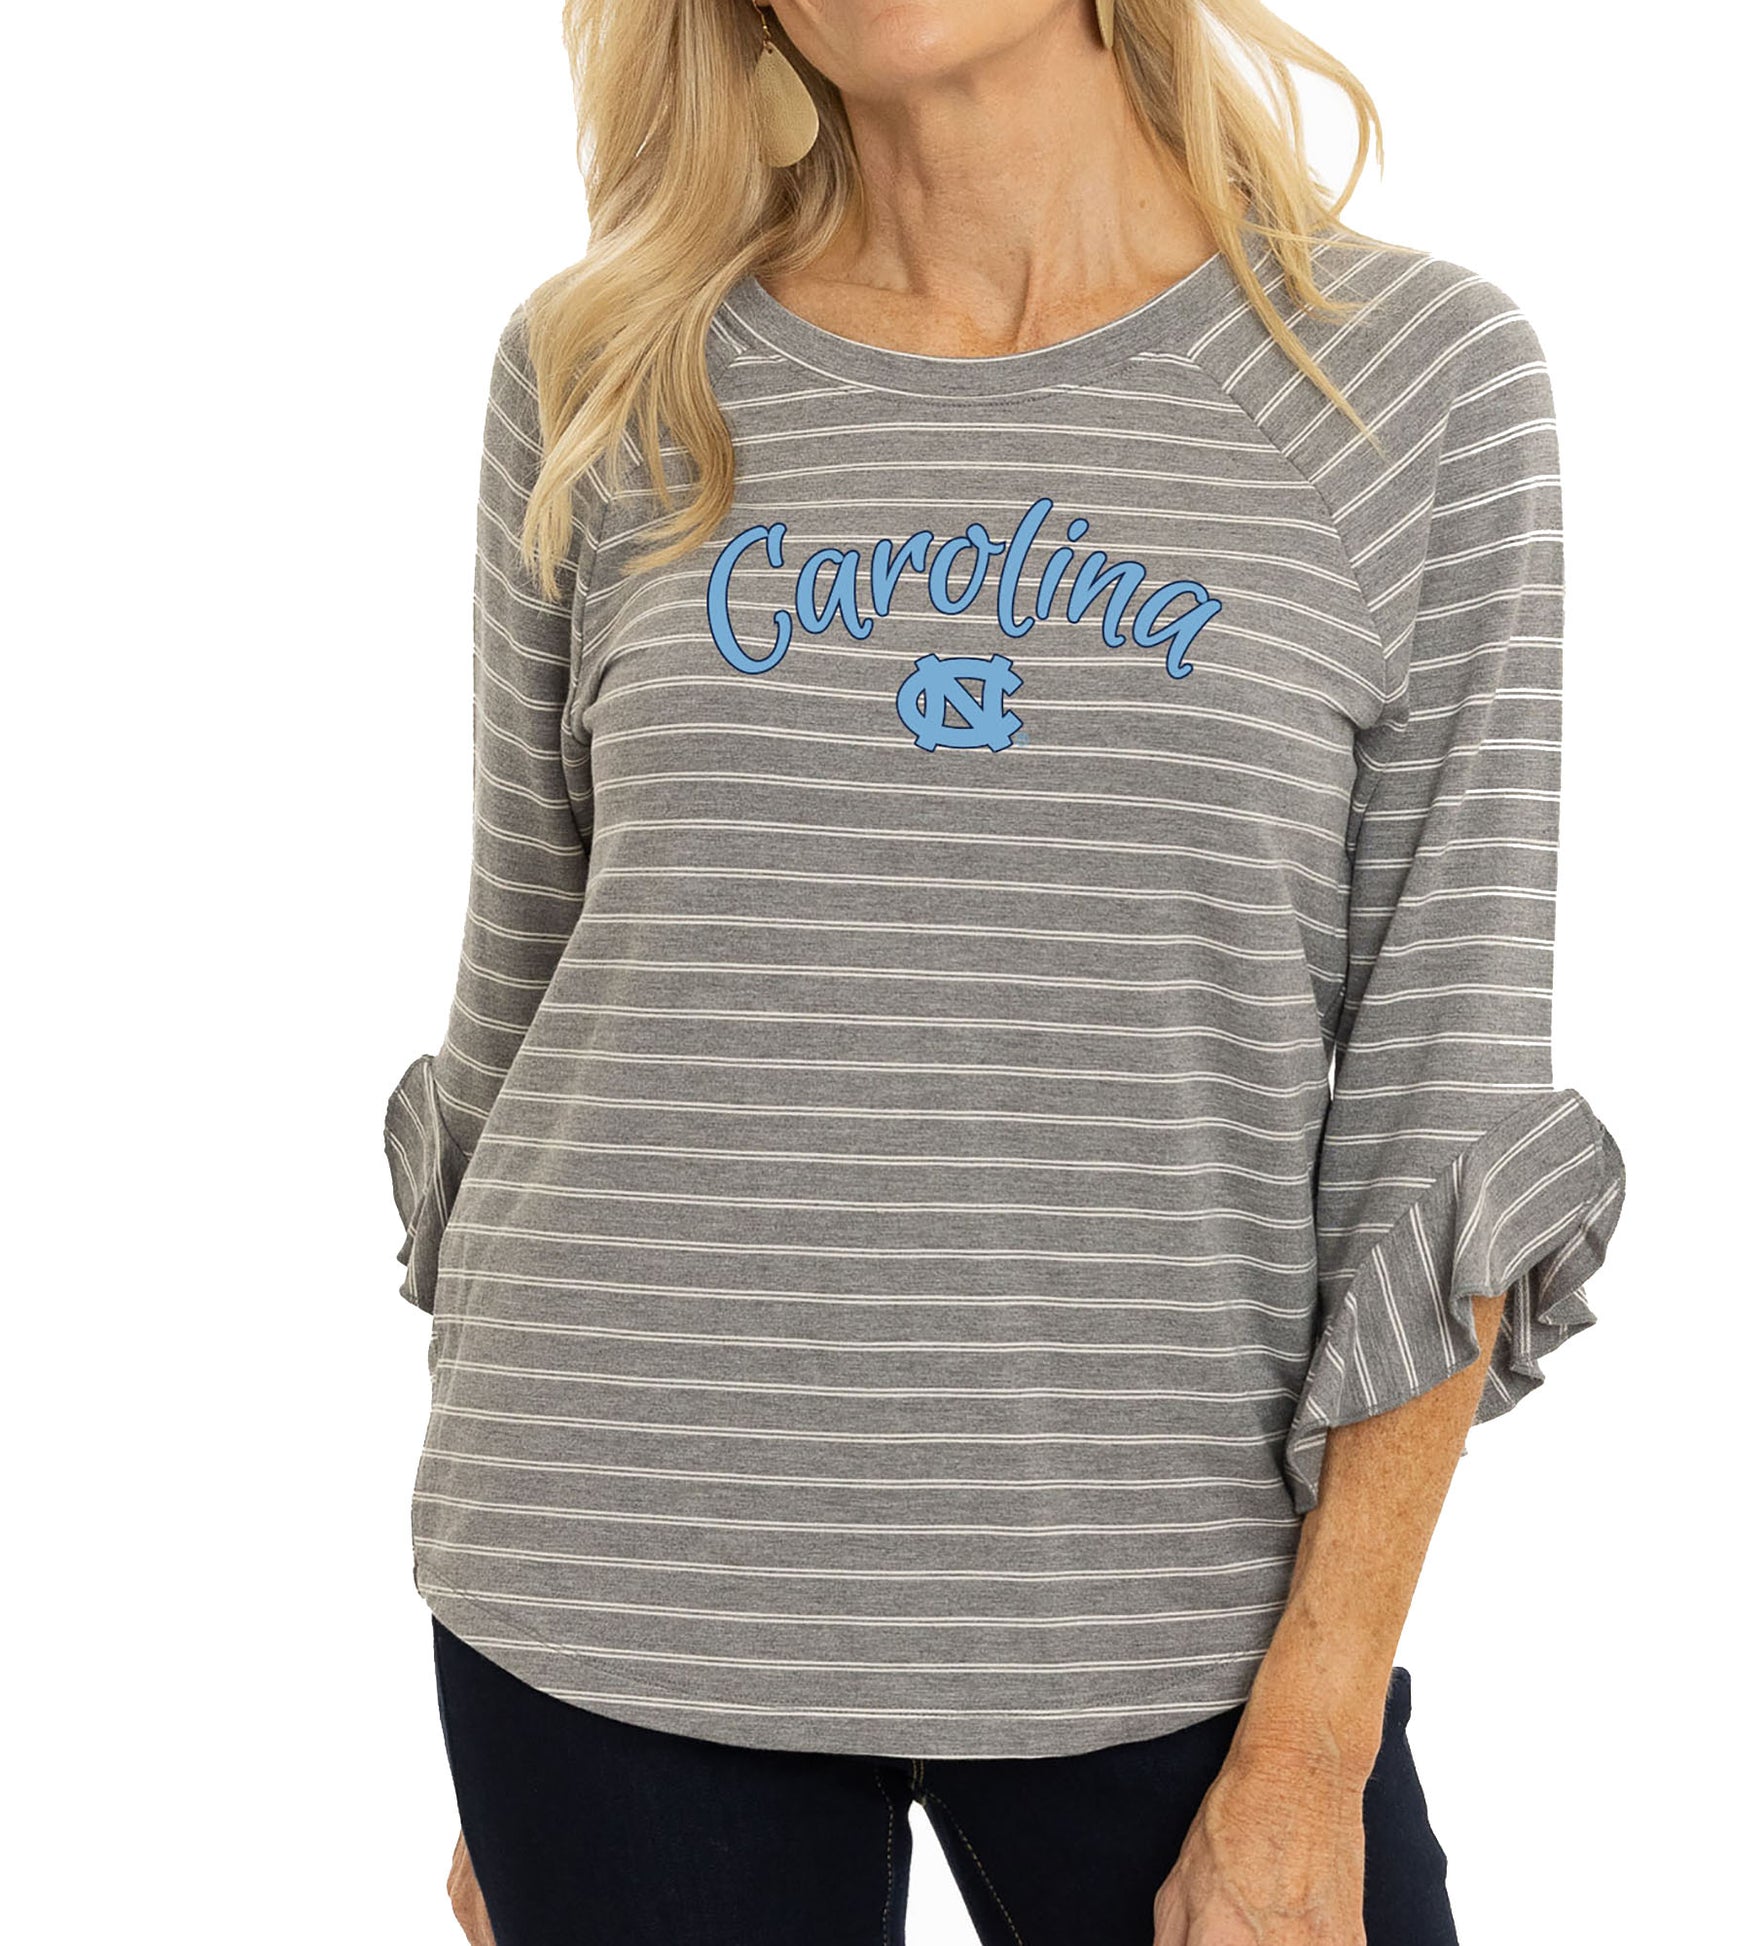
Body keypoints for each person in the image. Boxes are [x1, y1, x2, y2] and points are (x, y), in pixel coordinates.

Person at [380, 2, 1627, 1940]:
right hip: (611, 1575)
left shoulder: (1410, 378)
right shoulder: (606, 365)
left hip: (1169, 1600)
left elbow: (1442, 1101)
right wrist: (541, 1686)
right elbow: (521, 987)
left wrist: (1313, 1736)